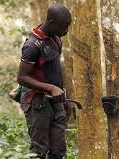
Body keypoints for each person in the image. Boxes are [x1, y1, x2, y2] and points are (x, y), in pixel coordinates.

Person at [17, 4, 71, 159]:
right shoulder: (32, 45)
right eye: (64, 26)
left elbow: (54, 70)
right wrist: (50, 88)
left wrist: (61, 91)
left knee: (59, 151)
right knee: (39, 151)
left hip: (56, 102)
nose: (66, 30)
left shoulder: (56, 39)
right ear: (52, 22)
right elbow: (22, 77)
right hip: (37, 103)